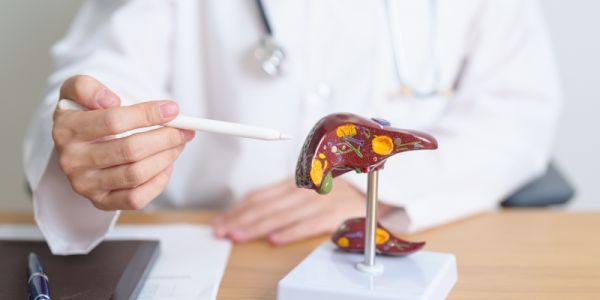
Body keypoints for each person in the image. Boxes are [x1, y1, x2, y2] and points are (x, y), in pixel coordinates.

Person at [24, 0, 561, 255]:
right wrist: (100, 140)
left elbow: (520, 111)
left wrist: (375, 186)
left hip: (404, 233)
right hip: (215, 242)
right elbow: (100, 81)